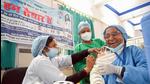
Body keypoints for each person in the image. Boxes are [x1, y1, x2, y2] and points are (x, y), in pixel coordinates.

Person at [22, 35, 99, 84]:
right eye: (54, 45)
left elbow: (71, 58)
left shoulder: (52, 59)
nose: (57, 47)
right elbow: (65, 82)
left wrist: (88, 51)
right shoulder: (40, 61)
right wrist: (87, 69)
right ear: (45, 49)